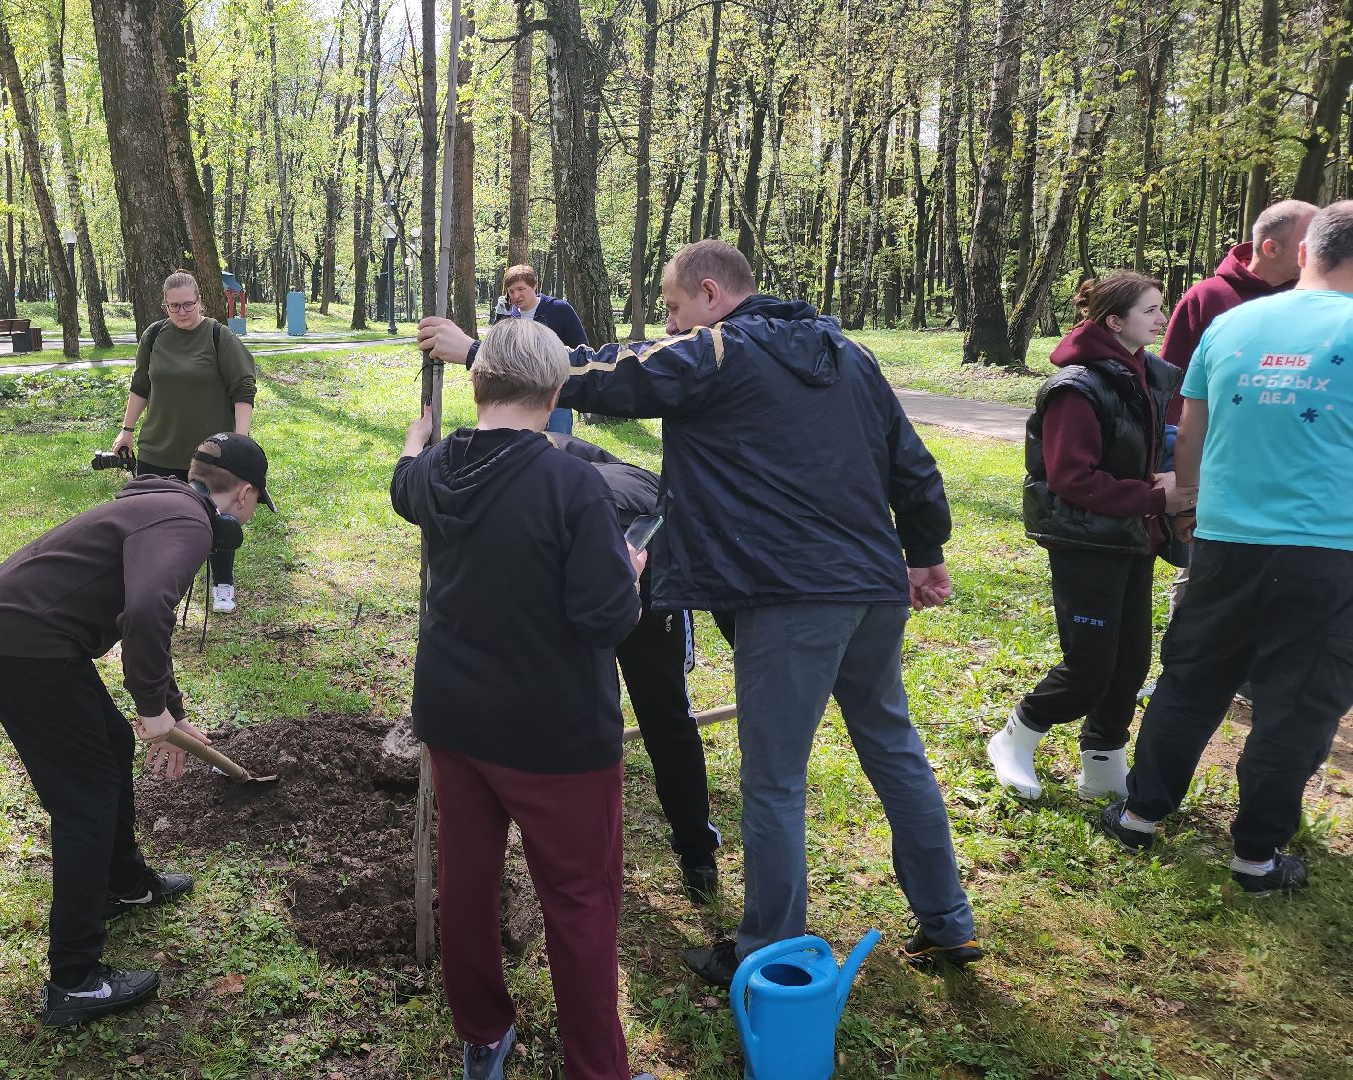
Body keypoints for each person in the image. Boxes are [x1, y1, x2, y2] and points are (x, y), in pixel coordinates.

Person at [417, 239, 978, 984]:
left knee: (774, 778)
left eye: (675, 308)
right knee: (892, 744)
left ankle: (768, 954)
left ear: (712, 294)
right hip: (871, 585)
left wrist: (477, 350)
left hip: (790, 592)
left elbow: (612, 375)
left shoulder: (719, 353)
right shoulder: (847, 354)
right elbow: (909, 460)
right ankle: (948, 922)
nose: (670, 326)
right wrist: (924, 547)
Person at [392, 318, 654, 1080]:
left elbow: (404, 486)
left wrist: (414, 439)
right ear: (555, 390)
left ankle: (482, 1033)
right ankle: (594, 1069)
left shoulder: (439, 468)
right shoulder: (574, 483)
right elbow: (606, 620)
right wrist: (630, 571)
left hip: (455, 718)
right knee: (577, 899)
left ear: (477, 384)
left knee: (467, 881)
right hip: (555, 733)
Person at [0, 433, 275, 1024]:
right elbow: (149, 607)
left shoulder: (164, 499)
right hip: (24, 644)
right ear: (246, 493)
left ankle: (123, 882)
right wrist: (153, 705)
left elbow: (141, 609)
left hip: (14, 631)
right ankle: (75, 979)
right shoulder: (192, 522)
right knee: (85, 801)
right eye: (256, 504)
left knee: (112, 743)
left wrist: (171, 711)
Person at [1101, 200, 1353, 894]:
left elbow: (1190, 437)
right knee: (1298, 704)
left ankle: (1141, 815)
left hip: (1225, 539)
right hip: (1328, 553)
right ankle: (1257, 856)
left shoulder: (1232, 324)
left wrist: (1188, 511)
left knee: (1191, 678)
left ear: (1305, 251)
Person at [988, 273, 1194, 802]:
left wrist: (1165, 481)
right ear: (1113, 322)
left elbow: (1139, 453)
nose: (1161, 317)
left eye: (1160, 308)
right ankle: (1017, 735)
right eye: (1150, 310)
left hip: (1133, 538)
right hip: (1086, 543)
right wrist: (1154, 498)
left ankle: (1102, 761)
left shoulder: (1145, 375)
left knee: (1130, 664)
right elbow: (1070, 479)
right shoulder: (1076, 387)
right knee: (1090, 666)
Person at [547, 433, 723, 902]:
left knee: (591, 713)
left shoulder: (557, 483)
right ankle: (698, 857)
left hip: (636, 565)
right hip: (645, 560)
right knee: (668, 716)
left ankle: (587, 855)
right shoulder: (628, 475)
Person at [1158, 200, 1318, 627]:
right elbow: (1171, 391)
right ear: (1271, 247)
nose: (1321, 249)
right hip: (1216, 468)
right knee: (1201, 573)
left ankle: (1252, 679)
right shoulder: (1208, 298)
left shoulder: (1319, 303)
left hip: (1292, 473)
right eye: (1310, 240)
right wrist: (1179, 473)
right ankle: (1182, 669)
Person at [109, 271, 259, 613]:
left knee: (219, 520)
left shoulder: (219, 337)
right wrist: (127, 429)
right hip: (158, 449)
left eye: (188, 304)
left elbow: (243, 389)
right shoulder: (154, 336)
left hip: (210, 456)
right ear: (165, 305)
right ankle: (159, 586)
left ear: (200, 301)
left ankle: (223, 585)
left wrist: (240, 441)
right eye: (174, 306)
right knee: (155, 522)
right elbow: (141, 385)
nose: (182, 311)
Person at [495, 264, 589, 435]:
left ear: (534, 286)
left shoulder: (559, 309)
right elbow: (496, 353)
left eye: (520, 289)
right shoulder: (509, 315)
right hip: (518, 397)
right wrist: (501, 319)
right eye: (511, 291)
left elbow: (582, 349)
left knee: (557, 445)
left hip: (555, 396)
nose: (516, 296)